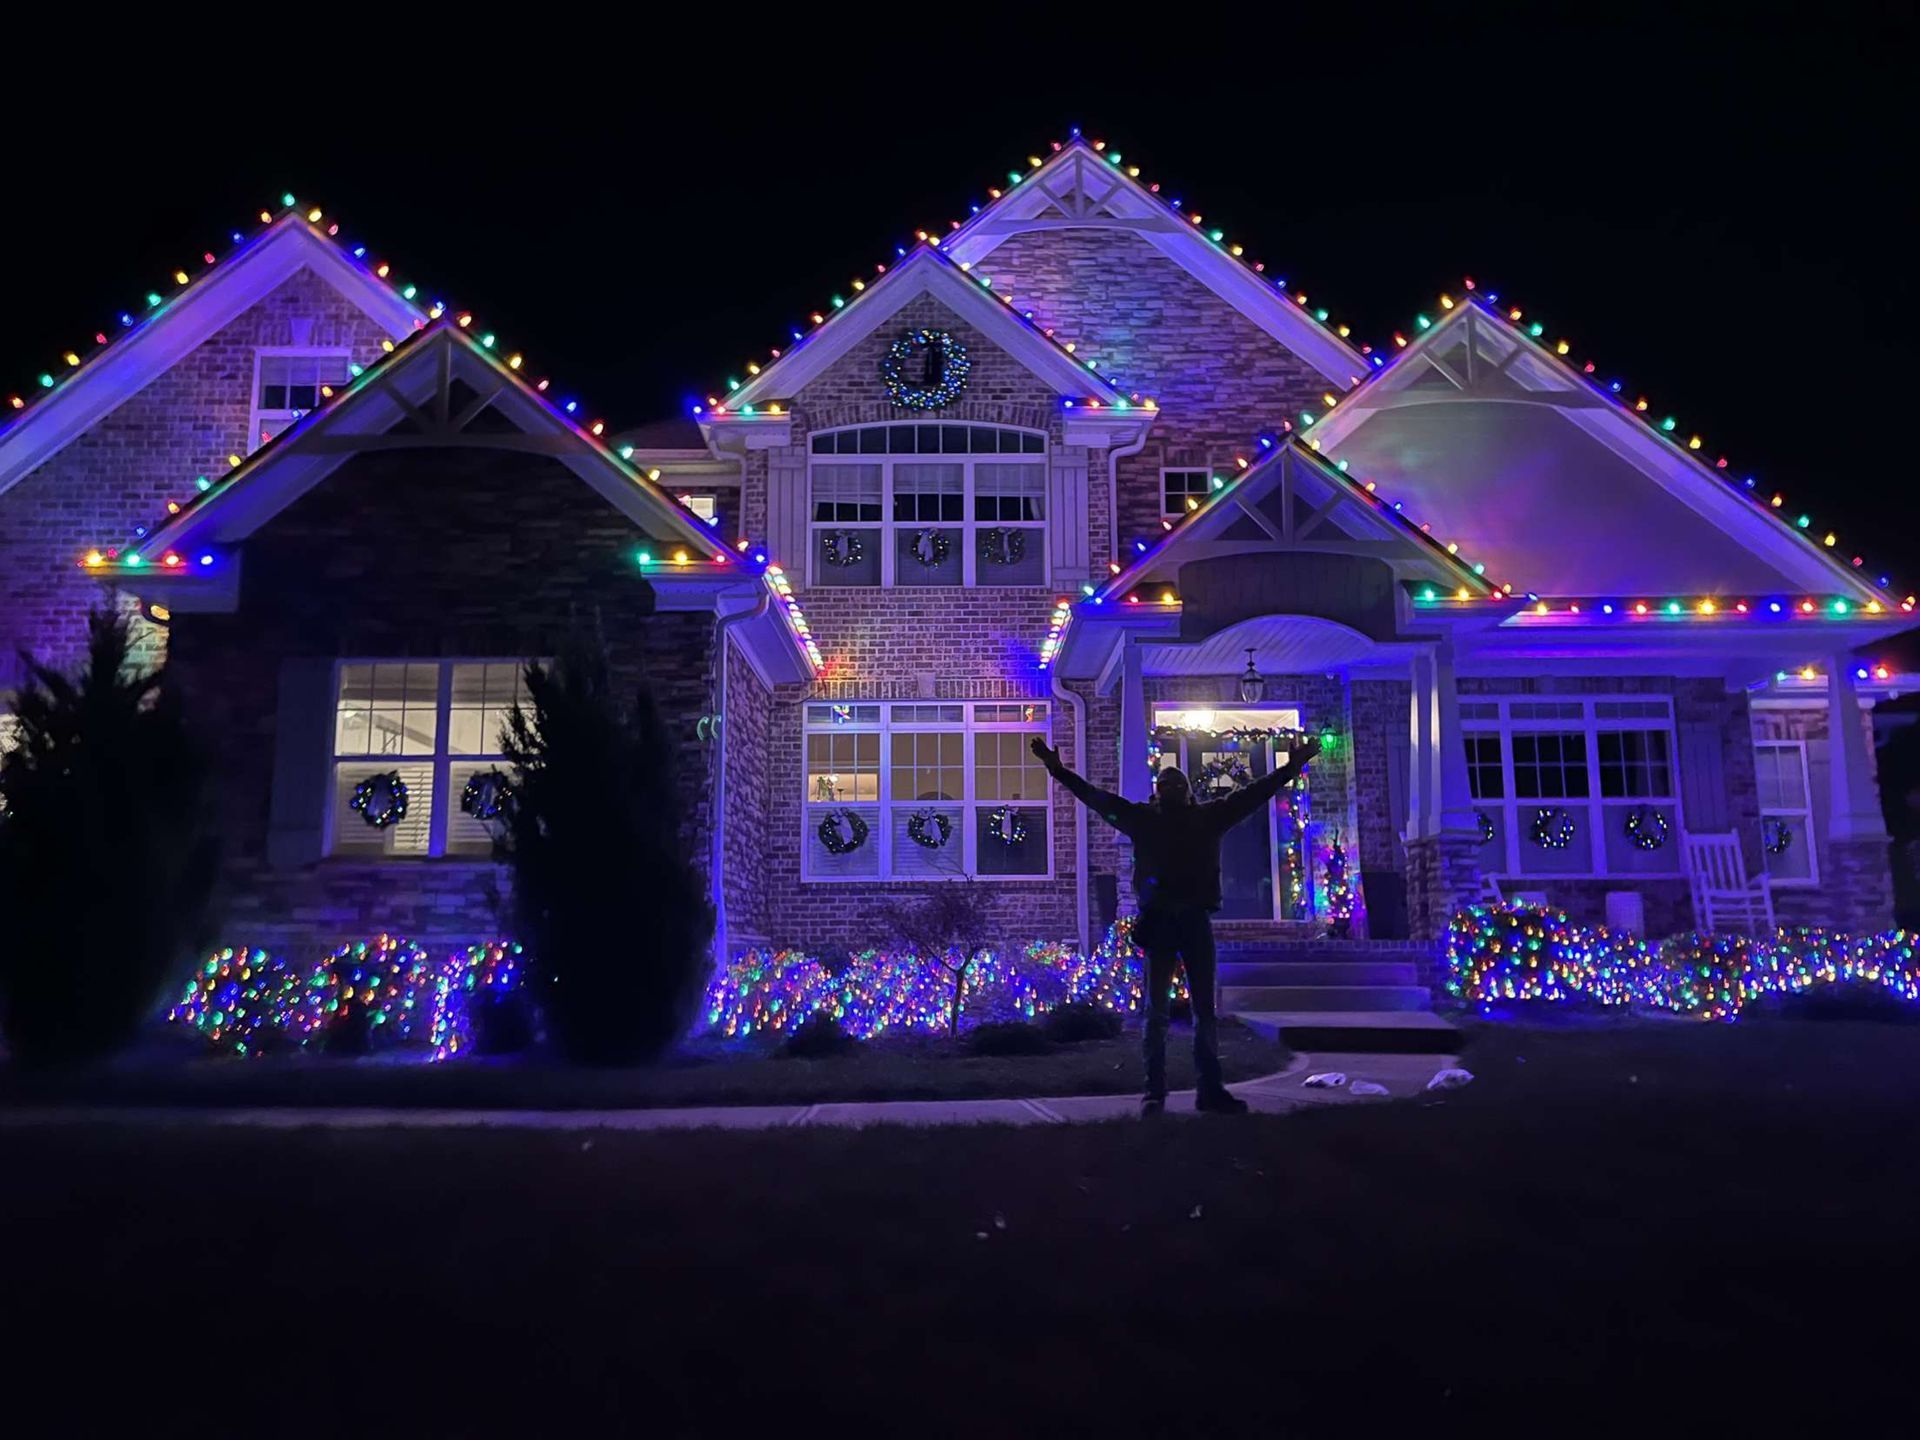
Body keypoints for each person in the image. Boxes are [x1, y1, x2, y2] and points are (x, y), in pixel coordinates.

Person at [1030, 732, 1322, 1116]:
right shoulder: (1164, 818)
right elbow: (1097, 799)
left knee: (1182, 1011)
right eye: (1167, 786)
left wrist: (1290, 767)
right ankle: (1169, 1092)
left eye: (1173, 786)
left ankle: (1194, 1092)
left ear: (1181, 792)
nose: (1169, 790)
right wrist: (1059, 771)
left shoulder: (1177, 818)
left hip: (1184, 920)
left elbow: (1254, 793)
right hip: (1167, 922)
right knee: (1170, 1012)